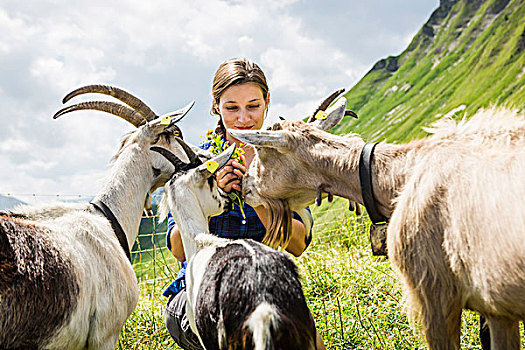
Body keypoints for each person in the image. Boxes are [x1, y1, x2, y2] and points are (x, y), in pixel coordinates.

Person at [163, 58, 324, 349]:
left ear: (267, 102)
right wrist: (213, 199)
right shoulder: (193, 165)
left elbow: (298, 245)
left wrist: (258, 193)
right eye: (231, 108)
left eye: (253, 106)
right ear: (216, 106)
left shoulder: (283, 163)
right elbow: (177, 248)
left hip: (265, 283)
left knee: (309, 339)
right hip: (199, 290)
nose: (243, 119)